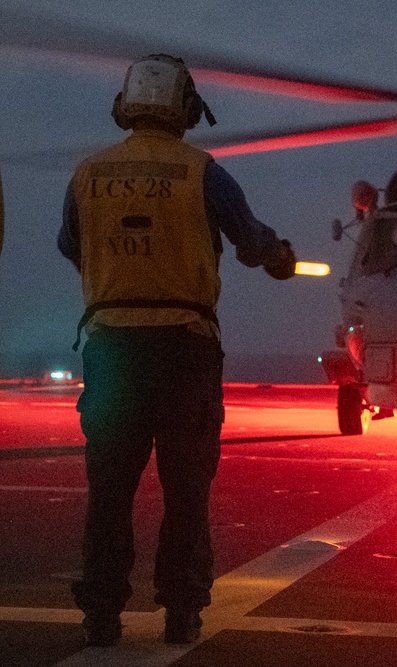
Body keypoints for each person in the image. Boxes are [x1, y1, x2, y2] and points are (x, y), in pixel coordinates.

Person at [58, 53, 297, 647]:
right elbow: (251, 242)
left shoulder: (88, 173)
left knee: (109, 490)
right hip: (185, 352)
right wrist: (280, 259)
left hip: (111, 348)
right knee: (186, 488)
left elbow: (71, 244)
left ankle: (102, 615)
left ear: (125, 106)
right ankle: (182, 612)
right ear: (186, 109)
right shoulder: (204, 173)